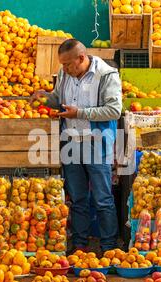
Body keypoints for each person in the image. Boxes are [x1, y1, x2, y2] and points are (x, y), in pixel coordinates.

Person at [31, 39, 122, 253]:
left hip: (97, 143)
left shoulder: (107, 75)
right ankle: (79, 247)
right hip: (71, 143)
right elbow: (58, 100)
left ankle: (109, 248)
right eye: (62, 65)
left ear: (81, 59)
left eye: (67, 64)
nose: (63, 69)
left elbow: (114, 110)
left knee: (102, 199)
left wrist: (80, 112)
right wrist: (45, 98)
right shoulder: (65, 74)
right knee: (78, 198)